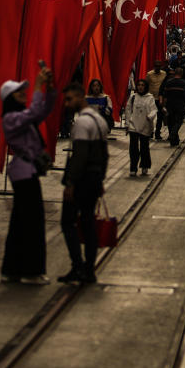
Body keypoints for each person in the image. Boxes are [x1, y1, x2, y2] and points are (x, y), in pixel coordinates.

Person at [0, 67, 55, 284]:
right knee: (32, 222)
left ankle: (12, 269)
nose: (24, 93)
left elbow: (42, 111)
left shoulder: (21, 116)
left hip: (27, 172)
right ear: (9, 98)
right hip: (24, 174)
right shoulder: (12, 118)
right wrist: (39, 86)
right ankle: (32, 271)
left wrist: (49, 90)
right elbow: (34, 113)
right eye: (19, 91)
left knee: (21, 222)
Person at [59, 83, 109, 284]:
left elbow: (79, 156)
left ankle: (77, 265)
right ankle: (89, 269)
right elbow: (104, 154)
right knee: (88, 223)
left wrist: (70, 183)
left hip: (81, 180)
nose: (67, 103)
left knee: (67, 222)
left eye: (70, 99)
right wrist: (101, 179)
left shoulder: (81, 123)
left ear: (81, 97)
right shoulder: (99, 120)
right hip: (95, 177)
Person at [125, 79, 157, 177]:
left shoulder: (150, 98)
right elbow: (128, 110)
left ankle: (144, 166)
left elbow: (154, 110)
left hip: (145, 125)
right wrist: (127, 124)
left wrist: (150, 116)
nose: (140, 87)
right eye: (139, 85)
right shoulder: (133, 97)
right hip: (133, 125)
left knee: (144, 147)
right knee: (133, 148)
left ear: (145, 87)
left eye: (142, 85)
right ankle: (133, 168)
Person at [161, 67, 185, 147]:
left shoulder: (168, 82)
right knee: (179, 121)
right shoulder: (184, 83)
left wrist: (164, 106)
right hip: (180, 105)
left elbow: (165, 95)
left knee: (171, 122)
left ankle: (174, 140)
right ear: (181, 74)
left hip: (170, 105)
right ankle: (173, 134)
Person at [146, 61, 168, 141]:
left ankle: (158, 133)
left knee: (160, 117)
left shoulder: (164, 74)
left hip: (160, 99)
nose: (157, 67)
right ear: (154, 66)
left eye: (159, 66)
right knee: (151, 117)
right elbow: (146, 85)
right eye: (156, 66)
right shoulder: (149, 74)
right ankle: (150, 132)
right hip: (151, 98)